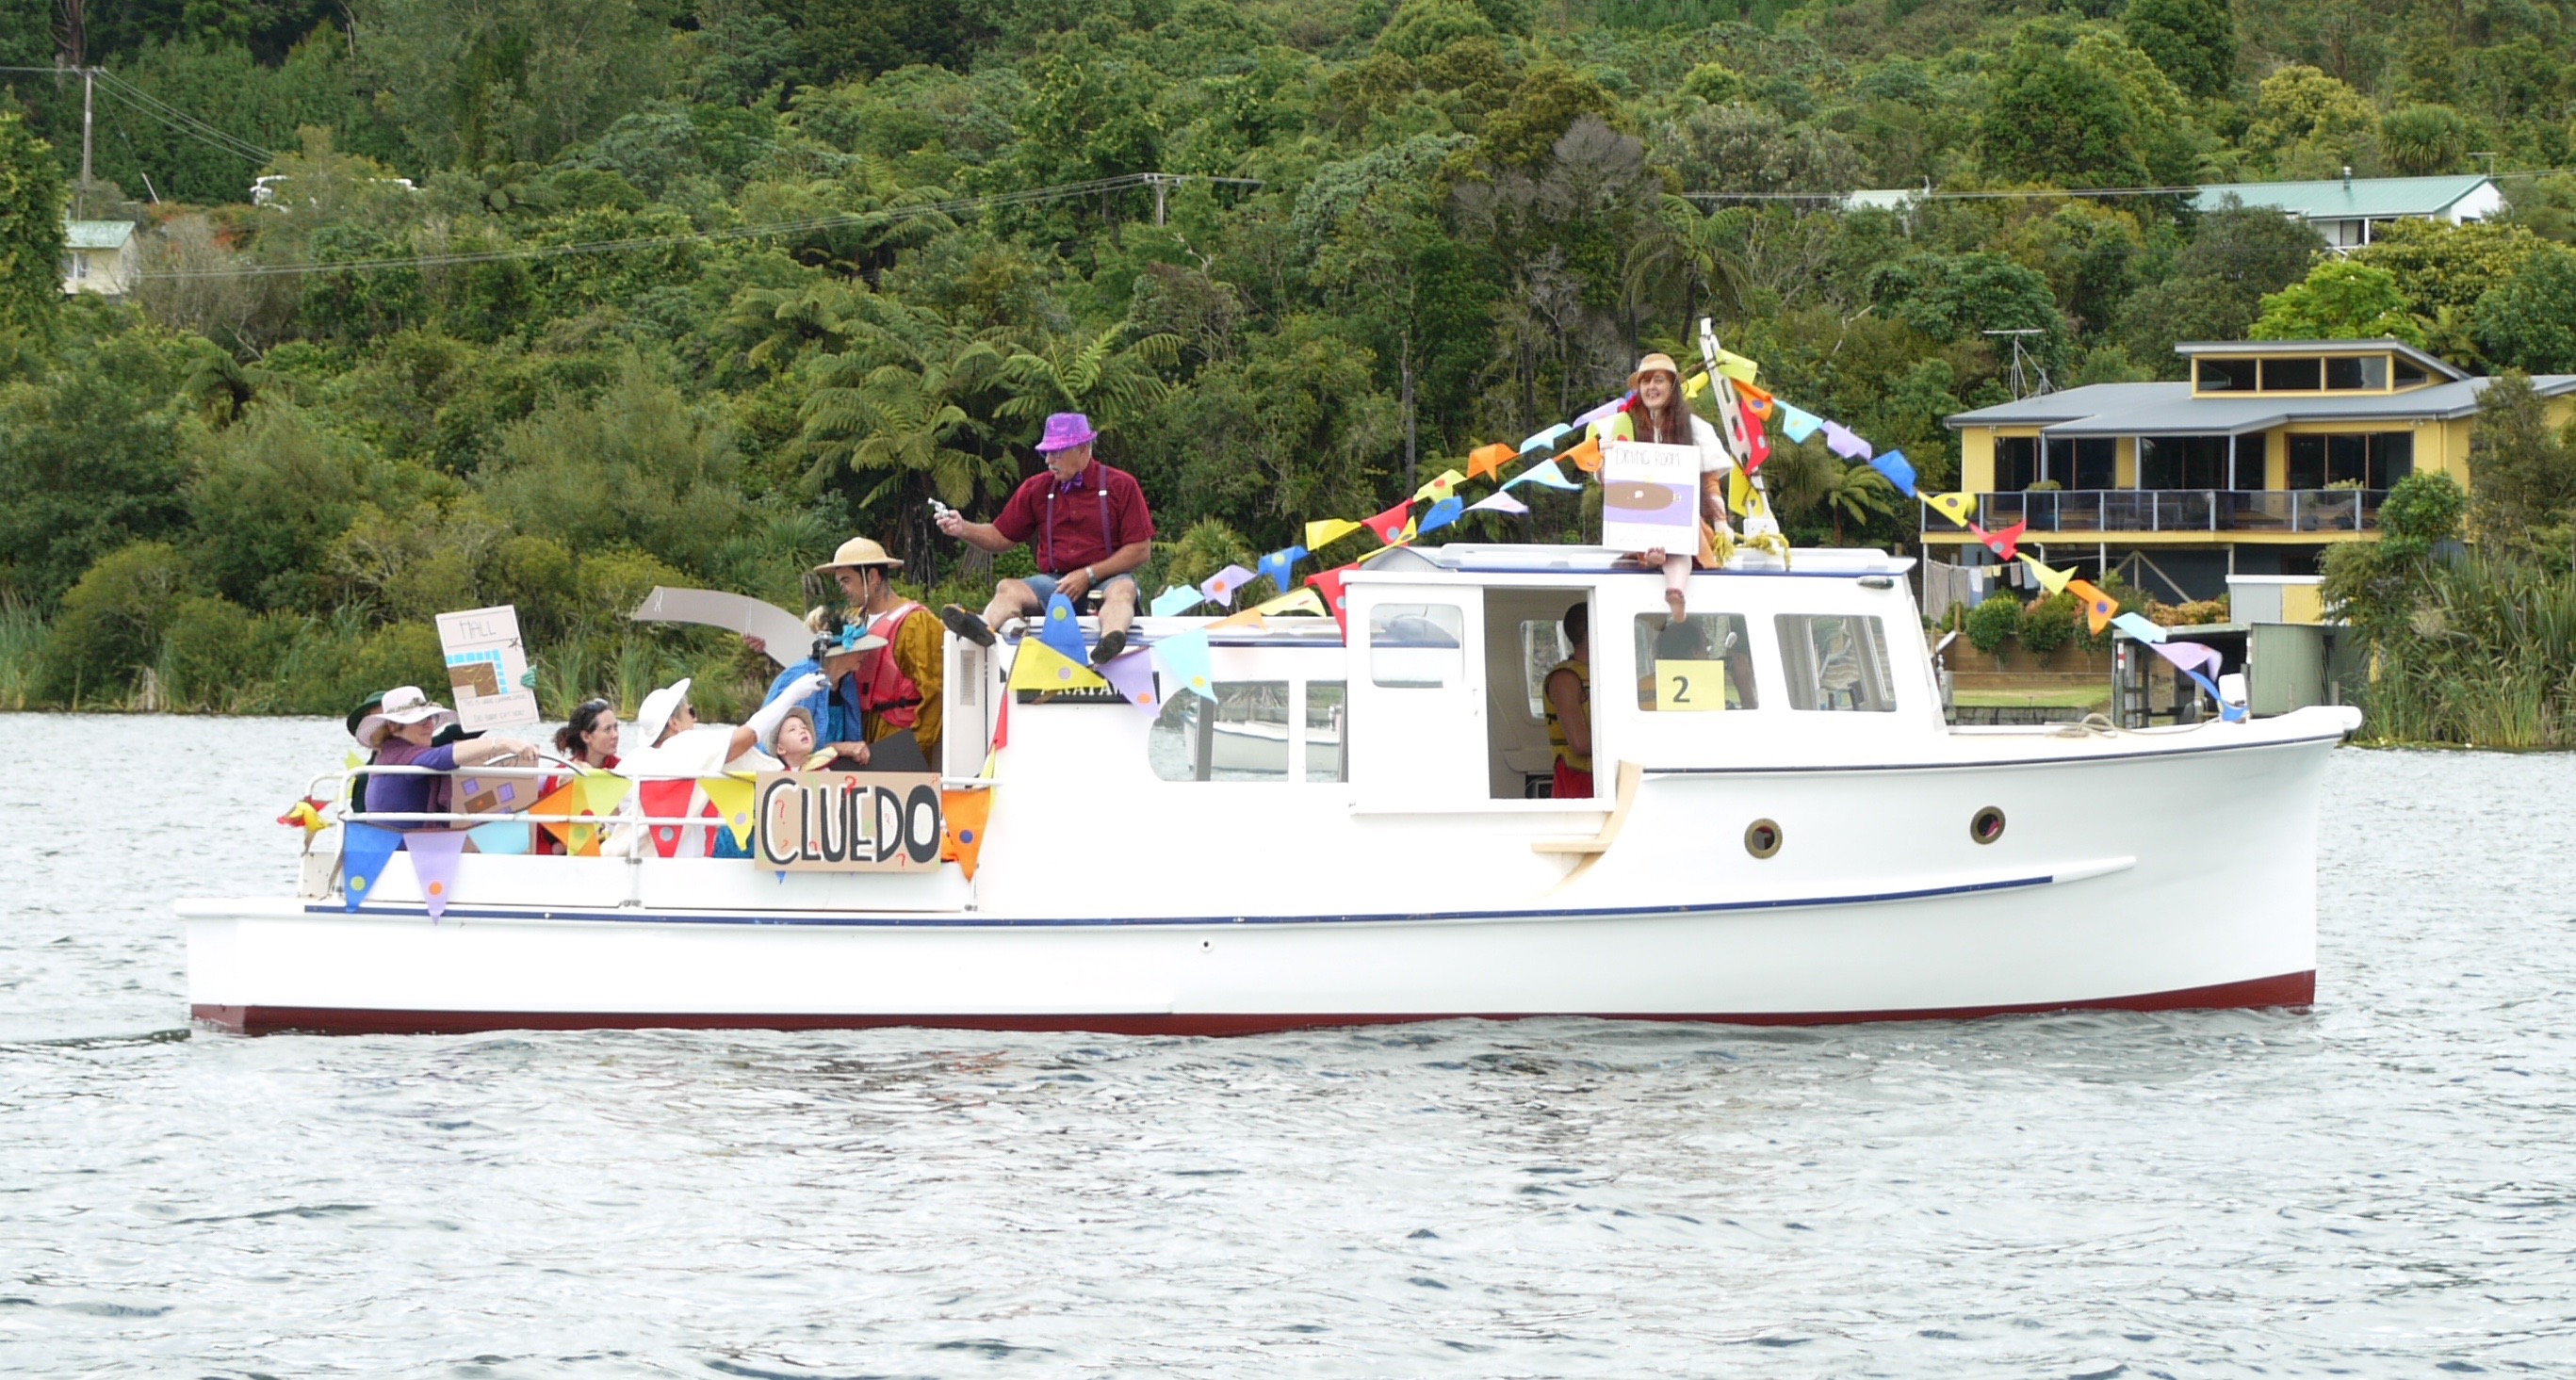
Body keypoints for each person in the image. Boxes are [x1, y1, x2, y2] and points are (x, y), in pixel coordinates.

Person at [934, 412, 1154, 665]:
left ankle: (1111, 640)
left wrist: (1089, 574)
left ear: (1083, 449)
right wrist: (962, 528)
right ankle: (984, 627)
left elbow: (1140, 550)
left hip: (1107, 580)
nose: (1049, 460)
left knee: (1123, 590)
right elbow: (1001, 536)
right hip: (1056, 584)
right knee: (1008, 588)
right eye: (1047, 453)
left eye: (1057, 453)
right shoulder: (1036, 489)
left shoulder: (1121, 485)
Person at [1617, 352, 1735, 623]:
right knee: (1655, 540)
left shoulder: (1695, 428)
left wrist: (1721, 523)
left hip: (1683, 520)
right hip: (1639, 518)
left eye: (1658, 380)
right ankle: (1652, 559)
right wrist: (1606, 461)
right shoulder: (1627, 425)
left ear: (1672, 386)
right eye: (1645, 381)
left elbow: (1710, 481)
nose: (1651, 387)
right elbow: (1612, 479)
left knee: (1684, 534)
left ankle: (1676, 589)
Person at [815, 536, 942, 769]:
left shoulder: (915, 622)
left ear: (872, 577)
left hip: (898, 733)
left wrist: (912, 747)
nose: (842, 589)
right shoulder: (853, 620)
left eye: (846, 580)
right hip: (859, 732)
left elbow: (935, 692)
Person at [353, 687, 539, 823]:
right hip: (404, 850)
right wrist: (503, 743)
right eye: (419, 720)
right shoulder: (401, 756)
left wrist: (516, 695)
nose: (429, 725)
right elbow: (443, 756)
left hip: (405, 846)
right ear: (393, 727)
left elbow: (456, 737)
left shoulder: (394, 752)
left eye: (430, 718)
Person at [1542, 603, 1593, 800]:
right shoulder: (1565, 678)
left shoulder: (1600, 672)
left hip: (1603, 775)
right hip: (1579, 779)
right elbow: (1580, 745)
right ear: (1590, 632)